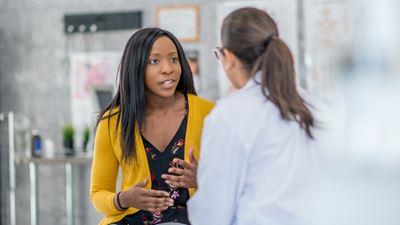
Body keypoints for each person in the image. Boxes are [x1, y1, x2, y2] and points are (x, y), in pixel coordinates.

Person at [188, 7, 325, 225]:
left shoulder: (228, 116)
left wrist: (206, 182)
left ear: (228, 58)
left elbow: (212, 216)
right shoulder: (315, 107)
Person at [90, 28, 214, 225]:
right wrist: (123, 199)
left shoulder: (209, 113)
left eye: (174, 59)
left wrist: (202, 179)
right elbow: (98, 194)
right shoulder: (112, 122)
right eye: (154, 61)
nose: (168, 68)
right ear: (136, 67)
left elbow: (235, 184)